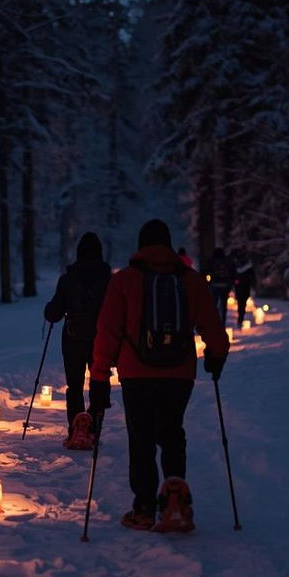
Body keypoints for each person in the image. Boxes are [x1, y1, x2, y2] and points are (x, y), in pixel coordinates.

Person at [87, 219, 230, 530]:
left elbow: (108, 332)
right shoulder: (190, 280)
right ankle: (175, 502)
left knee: (141, 439)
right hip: (179, 373)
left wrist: (99, 375)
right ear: (167, 245)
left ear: (140, 246)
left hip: (136, 374)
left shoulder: (124, 281)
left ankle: (144, 509)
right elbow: (212, 325)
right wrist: (216, 356)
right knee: (172, 433)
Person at [43, 232, 112, 449]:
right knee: (99, 381)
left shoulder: (68, 279)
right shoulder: (109, 279)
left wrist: (50, 310)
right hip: (101, 339)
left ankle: (76, 429)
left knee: (74, 384)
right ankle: (93, 427)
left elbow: (54, 312)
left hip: (73, 338)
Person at [206, 246, 236, 325]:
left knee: (214, 304)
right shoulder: (227, 261)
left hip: (214, 285)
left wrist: (208, 283)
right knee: (223, 304)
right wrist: (230, 284)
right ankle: (223, 321)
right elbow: (232, 272)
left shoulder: (212, 261)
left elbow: (207, 271)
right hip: (225, 285)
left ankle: (214, 321)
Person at [233, 249, 255, 327]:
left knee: (240, 302)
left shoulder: (236, 266)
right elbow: (252, 277)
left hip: (240, 287)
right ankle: (241, 316)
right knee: (242, 302)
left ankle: (240, 316)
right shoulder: (249, 267)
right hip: (245, 286)